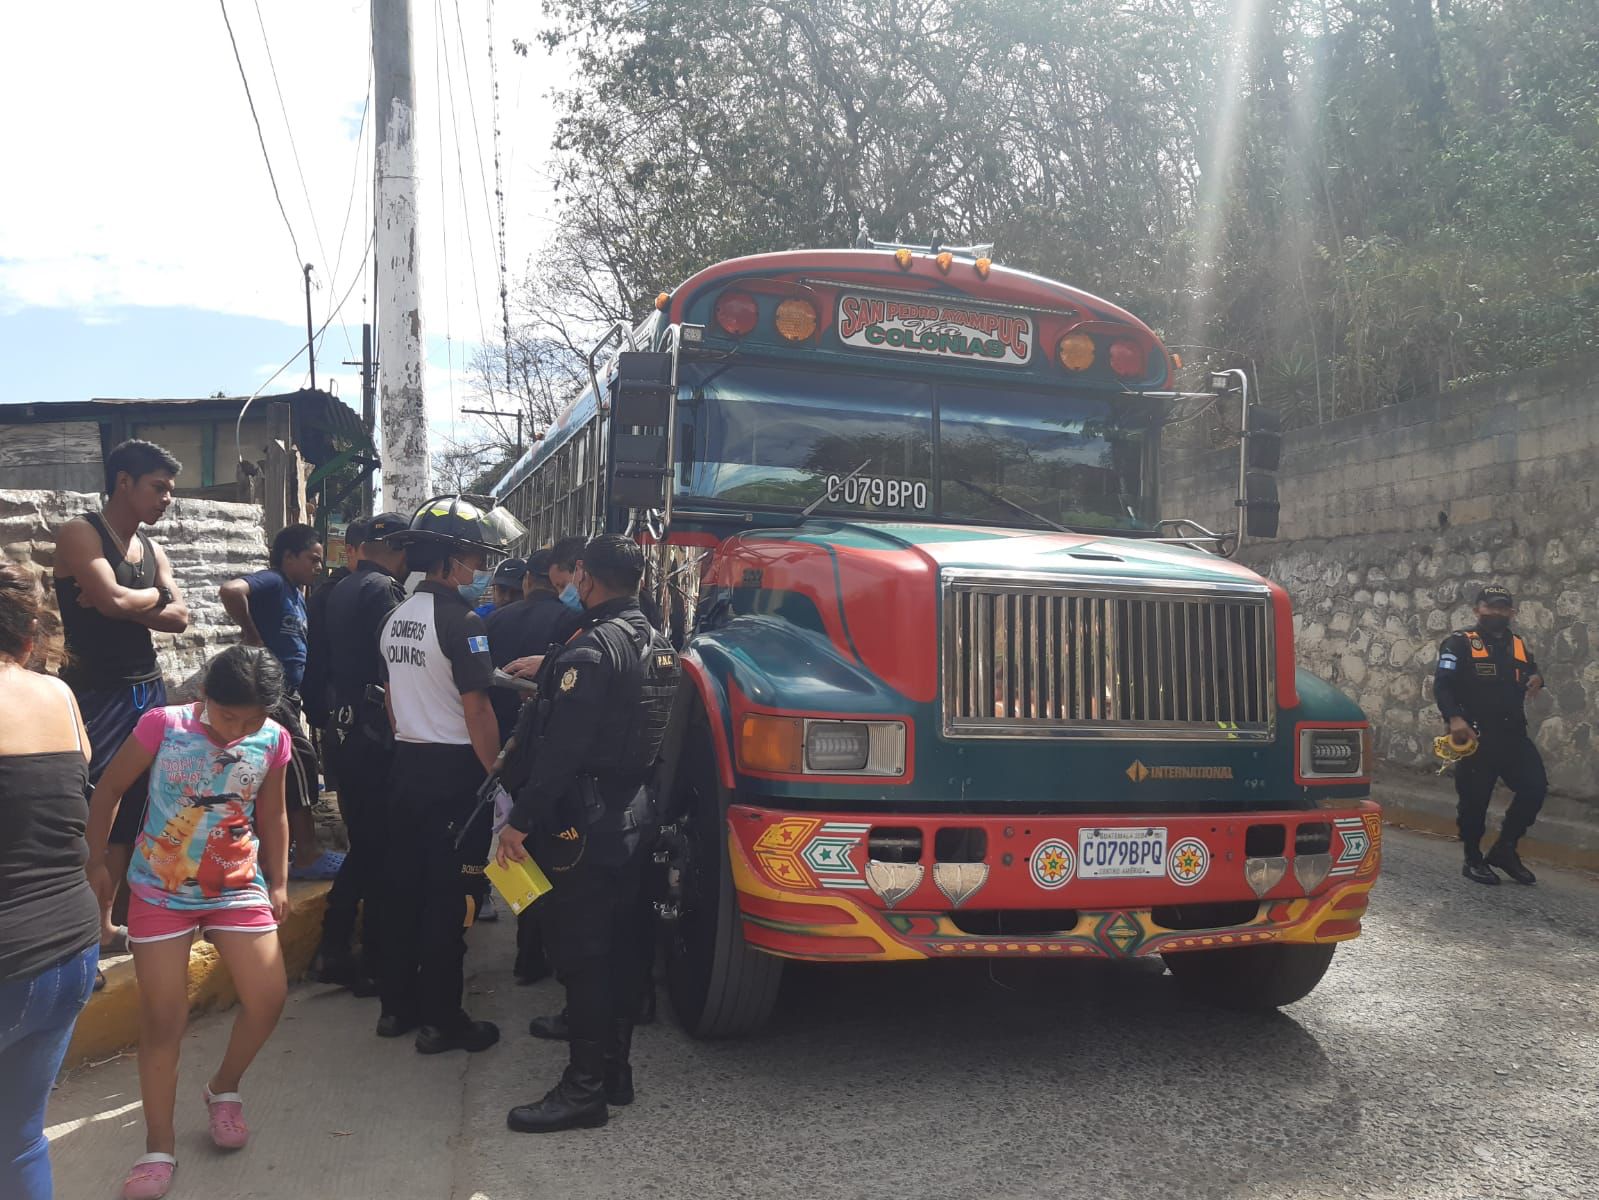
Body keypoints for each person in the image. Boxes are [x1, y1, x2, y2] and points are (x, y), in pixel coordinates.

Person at [86, 645, 291, 1200]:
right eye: (228, 717)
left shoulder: (272, 739)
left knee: (269, 996)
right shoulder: (162, 726)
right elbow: (107, 790)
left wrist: (278, 881)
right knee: (162, 1022)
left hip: (236, 885)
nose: (237, 731)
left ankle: (223, 1089)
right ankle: (158, 1146)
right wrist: (96, 862)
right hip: (159, 888)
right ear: (205, 698)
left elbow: (272, 813)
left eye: (250, 720)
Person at [497, 535, 681, 1133]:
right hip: (635, 814)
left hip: (585, 824)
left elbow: (562, 752)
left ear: (586, 577)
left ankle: (583, 1091)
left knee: (582, 957)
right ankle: (615, 1071)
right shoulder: (657, 644)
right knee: (624, 949)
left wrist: (520, 822)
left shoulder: (591, 650)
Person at [53, 438, 189, 966]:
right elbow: (108, 602)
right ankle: (89, 928)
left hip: (146, 688)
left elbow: (179, 618)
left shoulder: (155, 552)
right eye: (158, 488)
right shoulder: (81, 533)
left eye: (171, 491)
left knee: (140, 806)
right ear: (124, 482)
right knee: (96, 809)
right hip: (96, 694)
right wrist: (147, 601)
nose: (166, 499)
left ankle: (115, 920)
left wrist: (132, 603)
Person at [376, 497, 504, 1053]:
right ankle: (442, 1020)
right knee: (449, 898)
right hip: (454, 773)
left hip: (405, 765)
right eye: (474, 558)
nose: (478, 570)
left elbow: (388, 699)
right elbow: (478, 710)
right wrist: (497, 774)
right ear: (451, 560)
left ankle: (395, 1009)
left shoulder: (394, 617)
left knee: (403, 890)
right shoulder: (463, 621)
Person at [0, 562, 98, 1200]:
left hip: (10, 957)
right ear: (30, 637)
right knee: (20, 1140)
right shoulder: (57, 694)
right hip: (69, 949)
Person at [310, 513, 411, 993]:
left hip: (339, 733)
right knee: (382, 848)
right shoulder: (385, 594)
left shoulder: (333, 590)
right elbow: (394, 673)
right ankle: (368, 957)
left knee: (366, 842)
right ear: (395, 547)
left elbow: (314, 669)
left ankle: (337, 946)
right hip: (374, 734)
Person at [220, 524, 341, 883]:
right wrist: (252, 634)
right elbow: (231, 590)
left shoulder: (295, 593)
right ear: (289, 556)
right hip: (268, 692)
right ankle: (307, 854)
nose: (318, 567)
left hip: (286, 694)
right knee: (301, 763)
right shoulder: (272, 580)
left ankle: (278, 850)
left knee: (277, 772)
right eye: (312, 559)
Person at [484, 546, 582, 982]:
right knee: (552, 850)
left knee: (513, 845)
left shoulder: (494, 620)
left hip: (507, 751)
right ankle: (550, 949)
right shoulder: (570, 621)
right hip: (552, 749)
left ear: (526, 581)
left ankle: (526, 954)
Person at [1435, 584, 1547, 886]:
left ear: (1511, 612)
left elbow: (1531, 672)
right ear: (1477, 610)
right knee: (1475, 801)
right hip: (1476, 736)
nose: (1496, 613)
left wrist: (1538, 678)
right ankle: (1472, 858)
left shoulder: (1519, 644)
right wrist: (1454, 718)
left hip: (1512, 735)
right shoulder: (1459, 643)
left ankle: (1505, 849)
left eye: (1502, 608)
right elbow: (1442, 684)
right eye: (1490, 607)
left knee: (1535, 788)